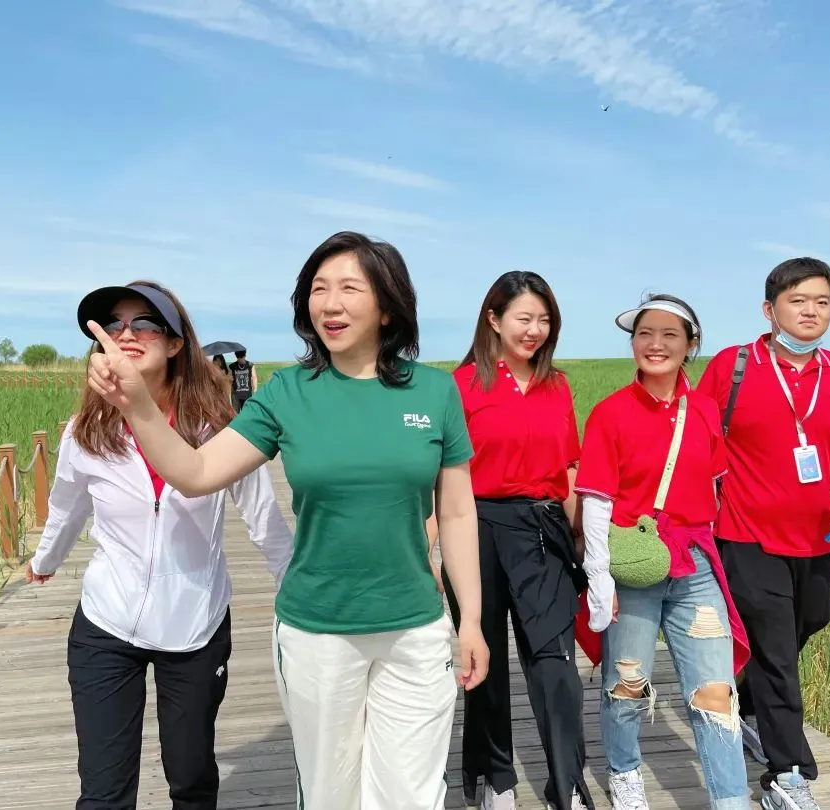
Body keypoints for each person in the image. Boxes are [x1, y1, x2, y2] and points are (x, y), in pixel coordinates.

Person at [82, 231, 490, 810]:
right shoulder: (287, 393)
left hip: (416, 628)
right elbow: (197, 471)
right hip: (317, 630)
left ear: (388, 306)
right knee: (329, 795)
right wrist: (139, 407)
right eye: (319, 290)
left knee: (412, 796)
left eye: (349, 288)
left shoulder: (435, 391)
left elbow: (456, 511)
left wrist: (470, 620)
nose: (330, 304)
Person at [25, 280, 295, 810]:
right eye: (115, 324)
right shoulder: (85, 431)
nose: (127, 333)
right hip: (107, 620)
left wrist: (294, 586)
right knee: (103, 792)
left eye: (146, 323)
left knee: (191, 779)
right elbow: (67, 505)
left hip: (195, 623)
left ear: (175, 344)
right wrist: (45, 559)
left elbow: (262, 516)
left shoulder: (217, 428)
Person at [697, 258, 830, 810]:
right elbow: (697, 441)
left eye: (822, 302)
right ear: (769, 309)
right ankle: (788, 774)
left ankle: (749, 704)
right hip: (745, 534)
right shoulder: (733, 367)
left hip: (817, 536)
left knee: (813, 618)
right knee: (776, 650)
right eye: (798, 300)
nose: (811, 311)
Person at [575, 294, 751, 810]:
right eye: (644, 334)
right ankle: (624, 772)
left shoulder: (704, 411)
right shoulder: (610, 413)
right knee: (627, 683)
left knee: (715, 692)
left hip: (695, 566)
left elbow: (718, 487)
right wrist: (599, 576)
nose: (656, 344)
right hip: (635, 568)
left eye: (670, 334)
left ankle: (731, 800)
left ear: (690, 344)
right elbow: (596, 503)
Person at [433, 271, 593, 810]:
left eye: (544, 320)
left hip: (543, 530)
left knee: (556, 664)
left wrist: (584, 539)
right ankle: (496, 779)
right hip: (475, 526)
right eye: (524, 318)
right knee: (485, 660)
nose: (535, 330)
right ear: (493, 319)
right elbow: (441, 476)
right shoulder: (460, 386)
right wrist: (428, 547)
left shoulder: (557, 385)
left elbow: (568, 467)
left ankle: (566, 786)